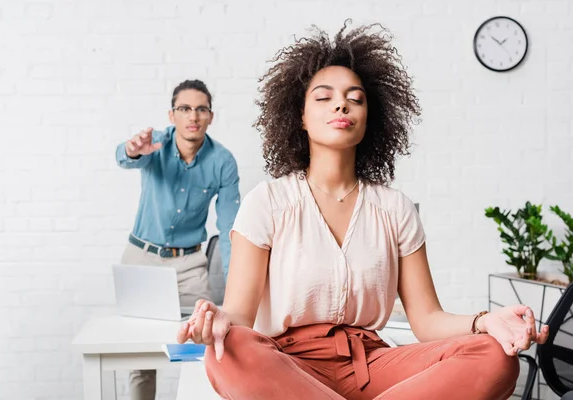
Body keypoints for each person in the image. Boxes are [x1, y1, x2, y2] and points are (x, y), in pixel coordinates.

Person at [177, 22, 550, 400]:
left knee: (494, 355)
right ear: (300, 117)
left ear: (369, 118)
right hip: (287, 366)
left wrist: (486, 321)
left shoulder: (395, 209)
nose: (341, 104)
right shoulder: (268, 202)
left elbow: (427, 320)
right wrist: (220, 320)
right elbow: (240, 317)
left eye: (355, 98)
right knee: (229, 351)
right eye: (324, 97)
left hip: (372, 367)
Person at [115, 79, 240, 400]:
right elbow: (126, 156)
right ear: (172, 115)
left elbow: (229, 230)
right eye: (185, 108)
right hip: (141, 258)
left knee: (203, 348)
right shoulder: (153, 143)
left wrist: (237, 290)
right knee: (138, 355)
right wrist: (132, 150)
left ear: (210, 116)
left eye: (201, 109)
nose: (193, 116)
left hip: (190, 264)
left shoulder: (222, 161)